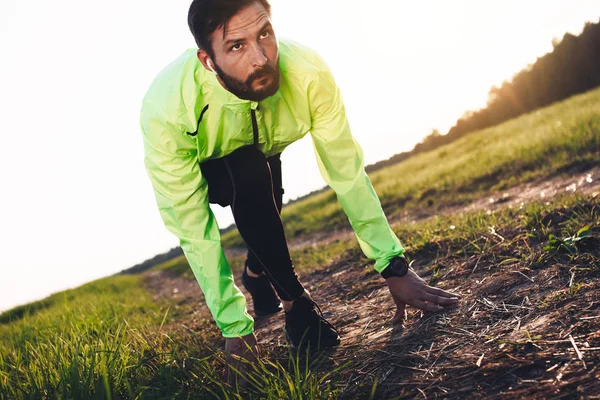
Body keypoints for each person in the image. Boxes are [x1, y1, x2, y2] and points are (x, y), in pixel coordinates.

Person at [140, 0, 460, 371]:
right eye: (236, 46)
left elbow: (346, 171)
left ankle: (256, 275)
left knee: (266, 203)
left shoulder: (308, 72)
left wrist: (394, 266)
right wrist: (233, 324)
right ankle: (296, 304)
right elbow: (191, 224)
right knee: (247, 172)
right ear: (208, 61)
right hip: (212, 162)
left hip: (267, 146)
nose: (261, 58)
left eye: (264, 34)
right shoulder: (167, 108)